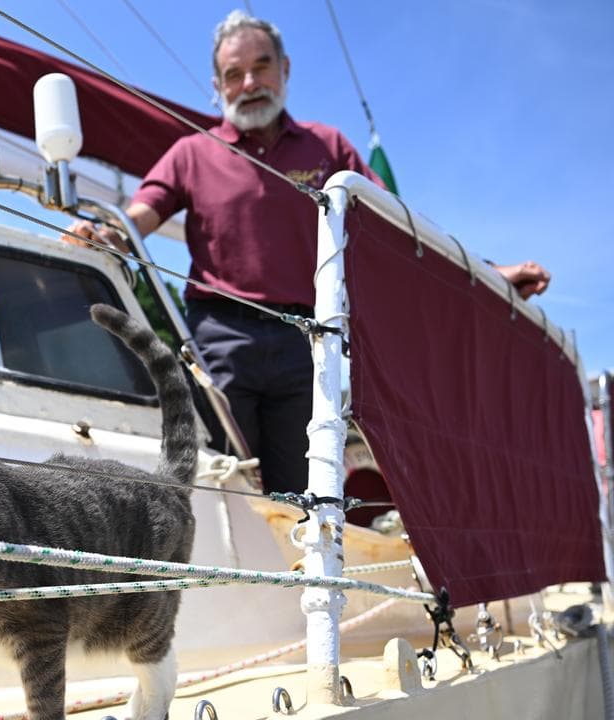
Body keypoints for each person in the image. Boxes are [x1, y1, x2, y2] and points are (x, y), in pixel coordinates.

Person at [64, 11, 550, 494]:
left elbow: (400, 228)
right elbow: (135, 219)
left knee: (301, 491)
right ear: (217, 86)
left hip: (309, 344)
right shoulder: (193, 153)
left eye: (261, 66)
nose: (250, 82)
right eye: (234, 74)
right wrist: (103, 233)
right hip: (220, 341)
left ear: (286, 69)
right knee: (223, 481)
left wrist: (488, 273)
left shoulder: (329, 147)